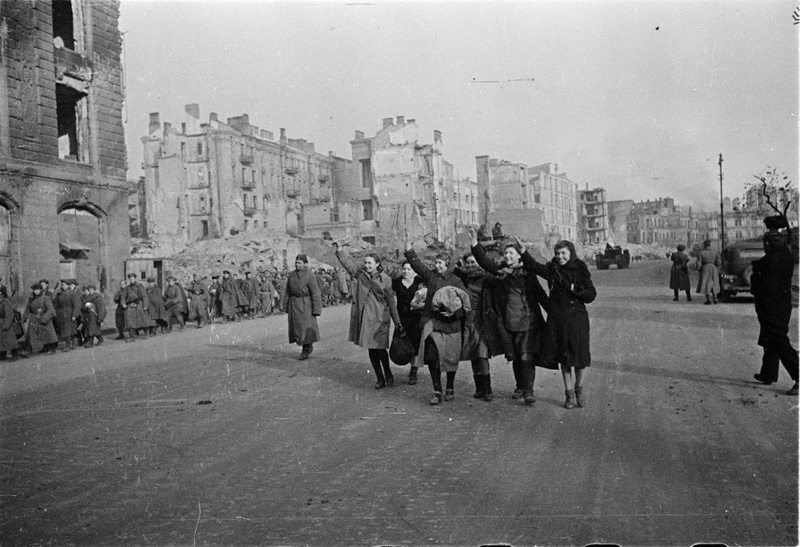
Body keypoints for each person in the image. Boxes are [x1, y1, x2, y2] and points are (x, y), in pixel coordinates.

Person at [467, 228, 550, 405]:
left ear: (519, 256)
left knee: (526, 354)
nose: (508, 256)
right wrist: (475, 244)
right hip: (508, 322)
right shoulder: (501, 272)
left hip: (528, 321)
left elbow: (541, 295)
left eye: (511, 253)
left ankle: (528, 390)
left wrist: (555, 312)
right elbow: (485, 263)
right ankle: (520, 386)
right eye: (505, 253)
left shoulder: (528, 273)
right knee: (515, 356)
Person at [524, 238, 597, 409]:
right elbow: (534, 266)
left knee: (579, 358)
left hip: (577, 319)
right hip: (558, 320)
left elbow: (591, 294)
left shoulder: (580, 268)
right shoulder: (552, 269)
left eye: (563, 253)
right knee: (563, 358)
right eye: (557, 254)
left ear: (571, 253)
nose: (560, 257)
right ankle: (569, 394)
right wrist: (522, 252)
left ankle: (579, 389)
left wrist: (574, 289)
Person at [404, 230, 469, 405]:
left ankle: (450, 387)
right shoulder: (431, 278)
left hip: (452, 326)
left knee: (450, 359)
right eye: (436, 263)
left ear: (448, 264)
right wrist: (409, 249)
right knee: (433, 358)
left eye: (440, 263)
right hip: (433, 325)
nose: (437, 266)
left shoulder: (456, 281)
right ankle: (437, 390)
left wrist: (456, 313)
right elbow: (418, 266)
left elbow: (466, 303)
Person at [335, 244, 403, 389]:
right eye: (365, 263)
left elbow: (391, 303)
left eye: (369, 263)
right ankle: (379, 378)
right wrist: (340, 251)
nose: (366, 266)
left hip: (380, 320)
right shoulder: (361, 274)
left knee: (380, 348)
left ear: (377, 264)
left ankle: (388, 373)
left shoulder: (385, 280)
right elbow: (349, 265)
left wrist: (397, 322)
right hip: (366, 318)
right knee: (371, 350)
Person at [751, 216, 799, 395]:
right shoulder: (785, 256)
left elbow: (767, 287)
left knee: (778, 339)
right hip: (782, 304)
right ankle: (768, 373)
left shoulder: (770, 261)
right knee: (771, 337)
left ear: (770, 244)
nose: (764, 245)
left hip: (771, 306)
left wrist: (755, 283)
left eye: (766, 243)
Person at [454, 252, 506, 401]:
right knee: (472, 353)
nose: (471, 265)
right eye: (468, 262)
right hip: (468, 319)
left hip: (484, 319)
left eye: (474, 262)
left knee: (482, 352)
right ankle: (479, 388)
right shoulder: (464, 278)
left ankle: (487, 389)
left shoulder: (487, 279)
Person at [282, 254, 322, 360]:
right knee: (297, 328)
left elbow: (315, 293)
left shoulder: (310, 275)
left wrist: (316, 309)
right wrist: (285, 305)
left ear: (305, 264)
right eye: (296, 262)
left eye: (299, 263)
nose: (297, 264)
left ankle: (305, 349)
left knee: (305, 328)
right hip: (294, 304)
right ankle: (307, 345)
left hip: (306, 304)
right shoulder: (292, 275)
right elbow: (287, 292)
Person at [392, 261, 425, 385]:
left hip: (416, 318)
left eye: (409, 269)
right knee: (402, 343)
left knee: (415, 345)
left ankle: (413, 371)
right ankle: (403, 362)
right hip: (401, 318)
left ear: (414, 271)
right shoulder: (397, 283)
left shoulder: (419, 283)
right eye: (404, 269)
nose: (406, 271)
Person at [23, 283, 59, 355]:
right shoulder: (31, 299)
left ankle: (52, 349)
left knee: (48, 334)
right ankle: (28, 351)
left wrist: (45, 318)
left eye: (37, 289)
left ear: (40, 290)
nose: (36, 291)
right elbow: (27, 309)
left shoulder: (45, 298)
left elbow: (51, 309)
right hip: (34, 318)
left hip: (44, 317)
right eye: (34, 290)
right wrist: (25, 316)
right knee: (31, 334)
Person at [121, 273, 152, 341]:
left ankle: (146, 332)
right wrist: (123, 303)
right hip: (131, 305)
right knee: (129, 319)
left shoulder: (140, 286)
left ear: (135, 279)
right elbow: (123, 296)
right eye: (130, 279)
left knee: (142, 319)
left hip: (139, 304)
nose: (131, 280)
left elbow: (144, 296)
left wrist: (145, 306)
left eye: (132, 278)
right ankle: (132, 336)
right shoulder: (127, 288)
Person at [54, 279, 79, 351]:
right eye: (62, 285)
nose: (63, 286)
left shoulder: (72, 293)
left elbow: (76, 305)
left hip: (69, 313)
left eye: (65, 285)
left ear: (68, 285)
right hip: (61, 313)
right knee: (65, 329)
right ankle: (74, 339)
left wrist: (74, 315)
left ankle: (67, 346)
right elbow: (56, 303)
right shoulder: (59, 294)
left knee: (67, 329)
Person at [696, 239, 720, 305]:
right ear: (710, 245)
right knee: (714, 282)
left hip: (705, 268)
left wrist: (699, 268)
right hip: (713, 267)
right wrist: (716, 268)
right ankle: (715, 298)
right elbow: (718, 262)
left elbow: (699, 263)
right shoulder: (715, 252)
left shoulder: (701, 252)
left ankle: (708, 299)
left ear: (704, 245)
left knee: (706, 283)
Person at [0, 285, 20, 361]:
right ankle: (2, 355)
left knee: (10, 340)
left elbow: (9, 315)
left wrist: (6, 325)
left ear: (1, 293)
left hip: (5, 323)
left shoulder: (5, 302)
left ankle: (15, 355)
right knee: (1, 340)